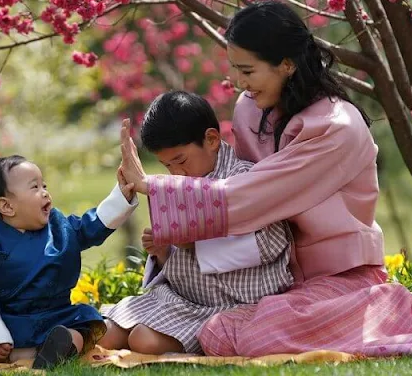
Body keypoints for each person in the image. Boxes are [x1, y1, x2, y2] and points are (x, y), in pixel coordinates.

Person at [117, 0, 412, 357]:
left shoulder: (335, 126)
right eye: (235, 70)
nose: (238, 83)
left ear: (287, 64)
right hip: (275, 284)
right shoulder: (248, 110)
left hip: (338, 281)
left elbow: (254, 195)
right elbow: (236, 192)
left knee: (241, 331)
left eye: (247, 71)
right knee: (216, 327)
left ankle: (384, 311)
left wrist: (155, 185)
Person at [99, 91, 293, 355]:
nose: (177, 173)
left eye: (181, 161)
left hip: (229, 306)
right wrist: (163, 252)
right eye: (167, 166)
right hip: (179, 299)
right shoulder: (178, 188)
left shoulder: (244, 178)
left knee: (143, 340)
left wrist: (194, 244)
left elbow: (270, 243)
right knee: (106, 332)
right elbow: (180, 266)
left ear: (212, 139)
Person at [0, 155, 138, 370]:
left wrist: (122, 196)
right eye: (35, 187)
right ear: (7, 206)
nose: (45, 193)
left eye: (44, 185)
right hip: (6, 325)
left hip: (56, 320)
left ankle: (54, 352)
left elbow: (94, 223)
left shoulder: (62, 230)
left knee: (77, 331)